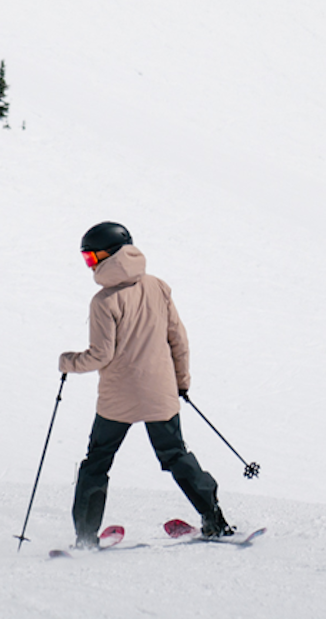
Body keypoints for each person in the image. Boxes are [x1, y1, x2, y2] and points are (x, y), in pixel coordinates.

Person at [59, 221, 233, 546]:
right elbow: (178, 338)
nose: (90, 265)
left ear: (110, 254)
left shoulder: (104, 301)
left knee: (97, 462)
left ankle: (85, 537)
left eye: (92, 257)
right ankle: (215, 520)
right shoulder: (158, 286)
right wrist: (181, 382)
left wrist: (67, 361)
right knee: (176, 455)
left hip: (118, 399)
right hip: (159, 392)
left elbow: (100, 355)